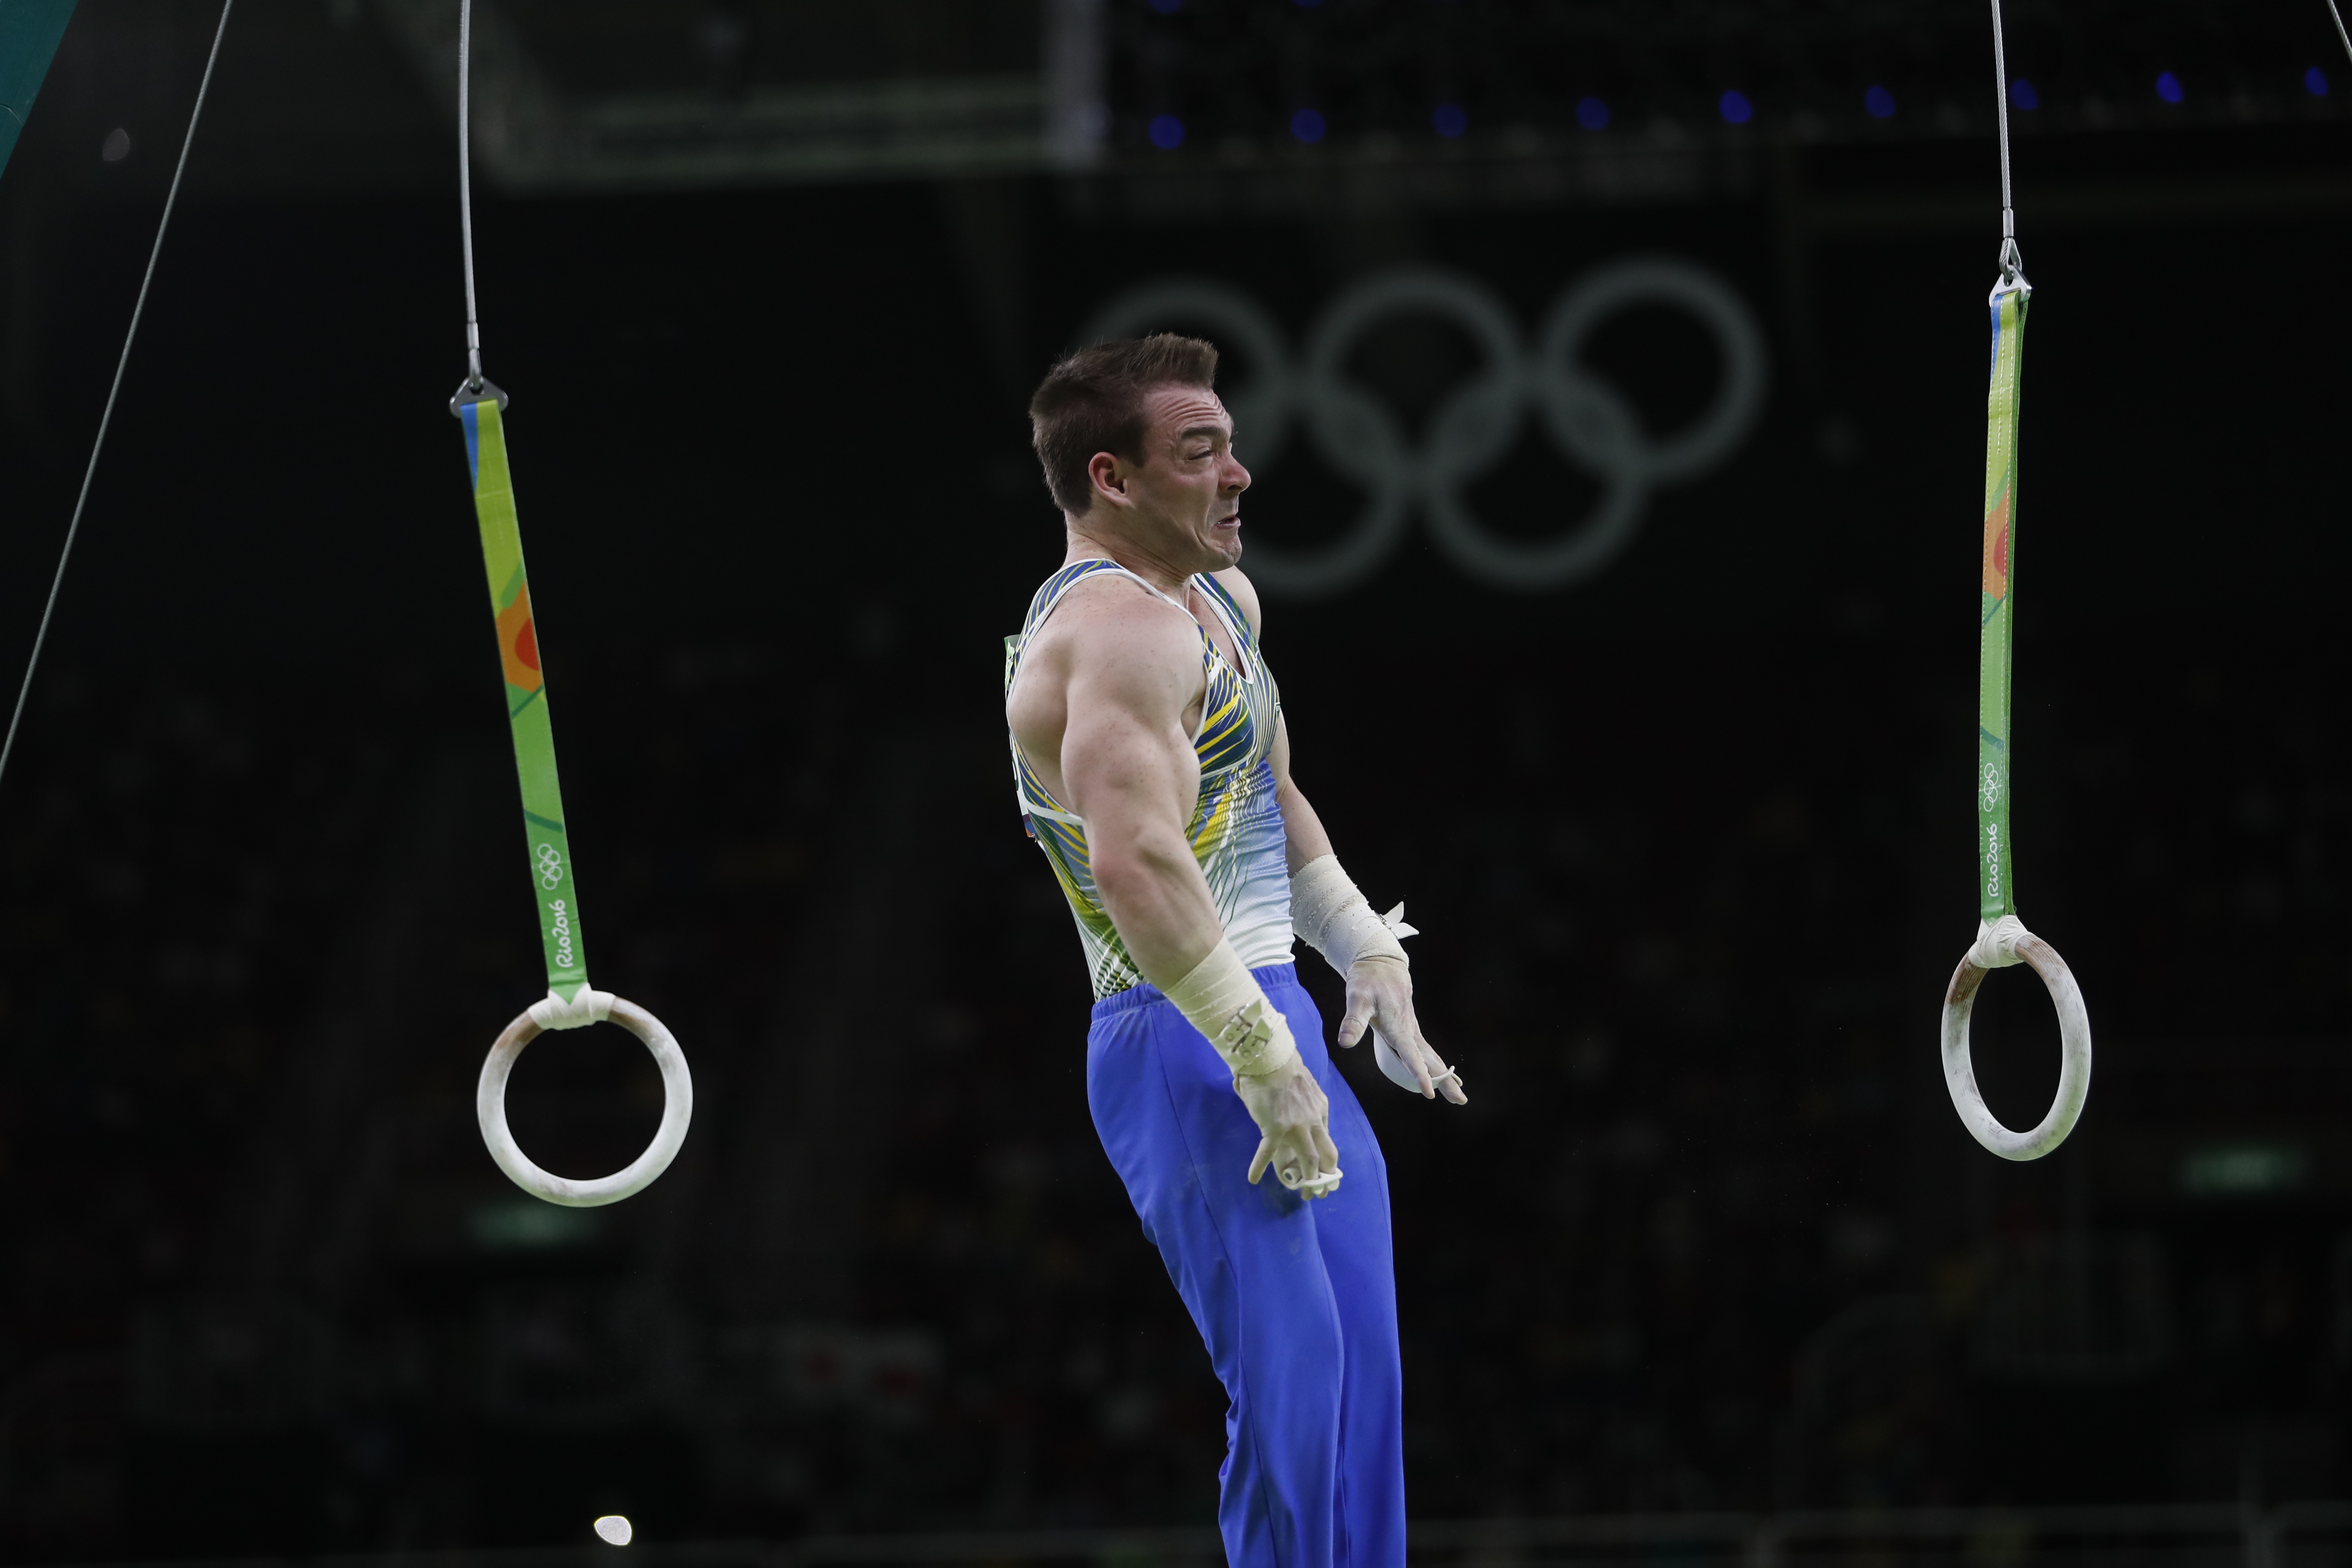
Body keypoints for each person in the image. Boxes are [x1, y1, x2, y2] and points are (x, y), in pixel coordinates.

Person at [1002, 333, 1467, 1568]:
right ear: (1112, 478)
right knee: (1296, 1379)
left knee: (1365, 1368)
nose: (1241, 474)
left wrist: (1365, 945)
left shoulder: (1215, 604)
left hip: (1271, 1007)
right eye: (1202, 453)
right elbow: (1136, 865)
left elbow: (1266, 795)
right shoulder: (1111, 636)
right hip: (1181, 1025)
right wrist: (1258, 1050)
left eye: (1230, 445)